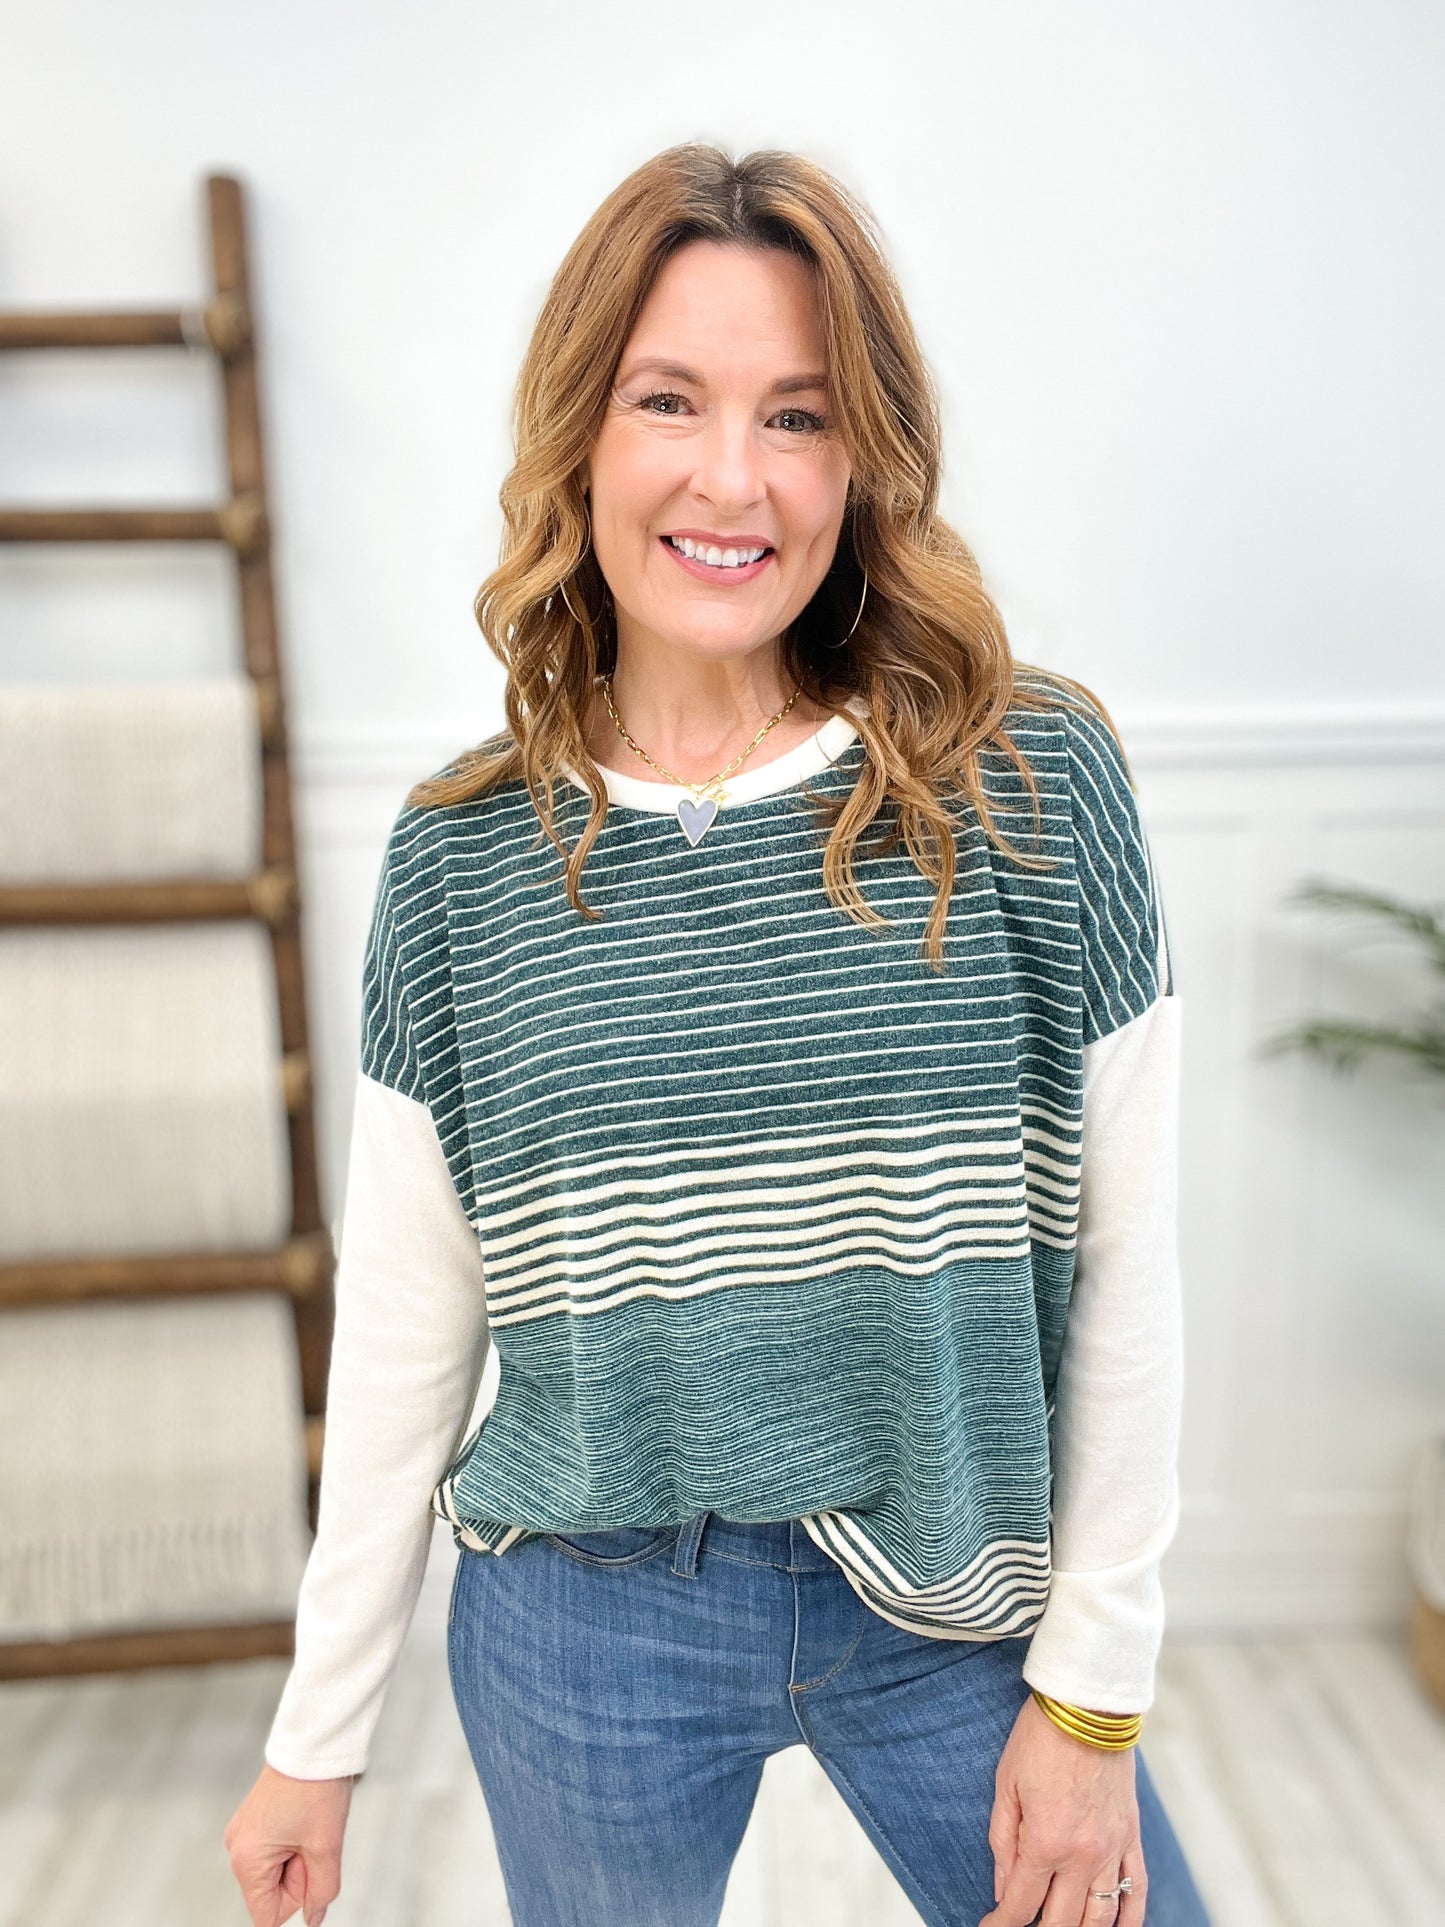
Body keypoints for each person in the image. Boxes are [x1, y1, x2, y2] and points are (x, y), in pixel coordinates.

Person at [224, 143, 1212, 1927]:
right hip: (584, 1622)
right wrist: (320, 1730)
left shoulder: (1029, 781)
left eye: (798, 416)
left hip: (958, 1608)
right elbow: (406, 1334)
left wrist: (1091, 1698)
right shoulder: (461, 858)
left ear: (863, 458)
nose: (731, 478)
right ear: (580, 436)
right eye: (667, 399)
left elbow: (1127, 1278)